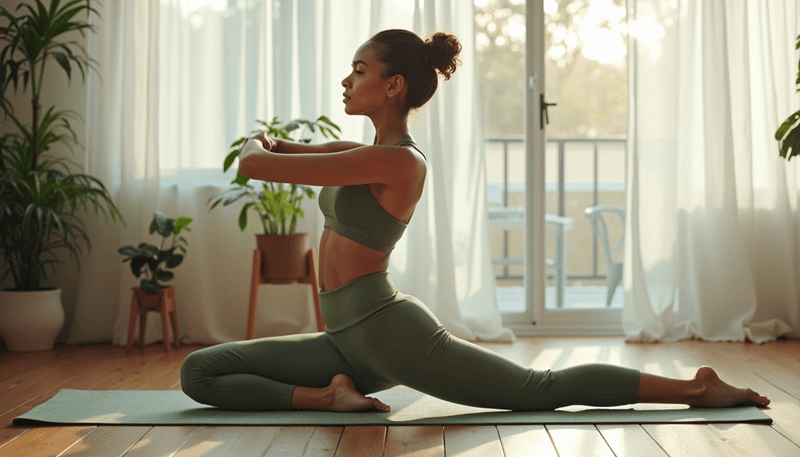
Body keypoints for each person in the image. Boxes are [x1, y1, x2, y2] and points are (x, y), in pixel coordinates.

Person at [180, 29, 770, 412]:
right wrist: (270, 146)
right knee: (199, 372)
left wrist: (261, 142)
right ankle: (329, 397)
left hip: (387, 332)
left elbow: (260, 161)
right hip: (342, 341)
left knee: (535, 392)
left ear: (393, 86)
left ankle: (696, 387)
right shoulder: (356, 152)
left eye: (358, 71)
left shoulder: (398, 161)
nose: (345, 80)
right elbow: (283, 155)